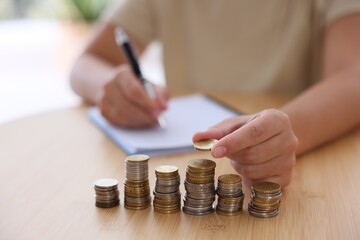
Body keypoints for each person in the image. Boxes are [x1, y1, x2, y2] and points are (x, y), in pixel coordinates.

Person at [70, 0, 360, 187]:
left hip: (303, 163)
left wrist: (289, 128)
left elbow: (353, 77)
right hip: (182, 154)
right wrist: (108, 85)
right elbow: (84, 64)